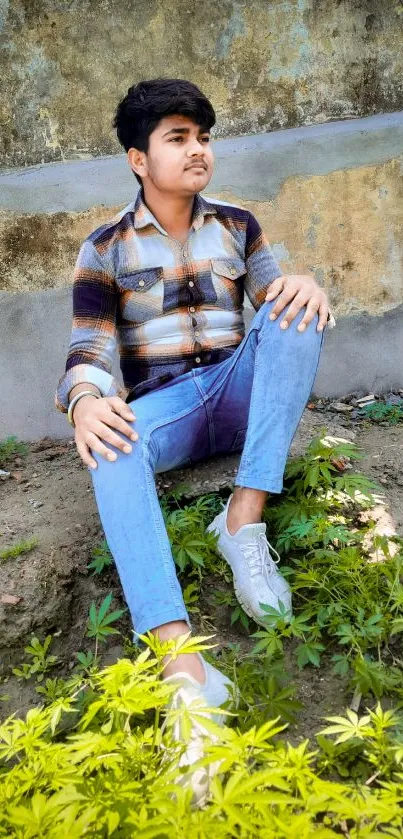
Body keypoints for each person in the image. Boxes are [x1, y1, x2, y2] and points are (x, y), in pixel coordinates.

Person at [55, 78, 335, 804]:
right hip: (167, 411)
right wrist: (85, 399)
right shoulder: (105, 248)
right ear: (137, 159)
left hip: (241, 394)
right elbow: (88, 347)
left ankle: (241, 520)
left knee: (297, 307)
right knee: (111, 439)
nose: (197, 150)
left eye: (203, 136)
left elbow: (274, 312)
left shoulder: (239, 225)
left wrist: (300, 285)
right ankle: (185, 669)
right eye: (177, 137)